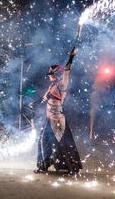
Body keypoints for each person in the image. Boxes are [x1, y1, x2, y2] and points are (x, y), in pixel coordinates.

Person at [31, 46, 83, 175]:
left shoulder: (62, 84)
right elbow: (44, 98)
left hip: (58, 119)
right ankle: (44, 166)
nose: (51, 75)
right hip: (49, 118)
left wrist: (71, 56)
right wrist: (35, 104)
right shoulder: (52, 85)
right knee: (44, 141)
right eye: (51, 73)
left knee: (63, 143)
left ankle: (72, 169)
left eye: (53, 73)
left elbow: (67, 70)